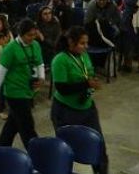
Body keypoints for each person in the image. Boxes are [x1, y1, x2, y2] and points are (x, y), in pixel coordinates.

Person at [50, 26, 108, 174]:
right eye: (82, 43)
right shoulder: (60, 60)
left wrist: (92, 82)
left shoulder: (83, 55)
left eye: (86, 43)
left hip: (87, 109)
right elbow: (62, 89)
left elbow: (89, 72)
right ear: (71, 42)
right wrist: (86, 84)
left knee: (99, 146)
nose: (86, 46)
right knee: (66, 151)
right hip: (65, 111)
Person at [0, 18, 45, 150]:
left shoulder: (35, 45)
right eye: (29, 35)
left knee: (13, 124)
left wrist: (41, 78)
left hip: (28, 90)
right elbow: (0, 72)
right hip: (14, 92)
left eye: (34, 34)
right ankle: (36, 153)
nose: (32, 38)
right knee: (27, 126)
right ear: (20, 34)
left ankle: (0, 150)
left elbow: (39, 63)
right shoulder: (11, 49)